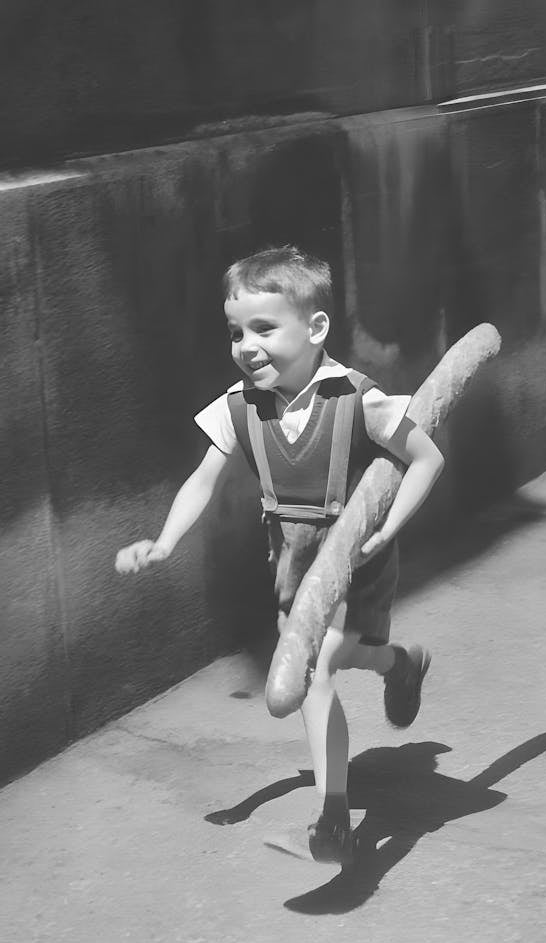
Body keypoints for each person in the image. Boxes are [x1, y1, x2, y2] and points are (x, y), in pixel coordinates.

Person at [115, 245, 445, 865]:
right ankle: (398, 663)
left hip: (355, 555)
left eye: (264, 328)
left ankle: (333, 821)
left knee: (314, 673)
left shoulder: (357, 400)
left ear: (315, 329)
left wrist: (385, 528)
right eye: (236, 331)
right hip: (291, 559)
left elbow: (427, 459)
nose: (246, 344)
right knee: (334, 659)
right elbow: (203, 480)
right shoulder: (240, 406)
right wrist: (163, 541)